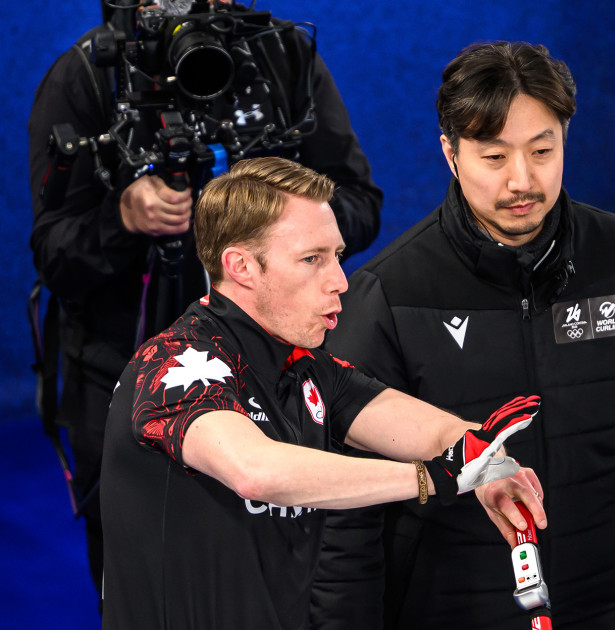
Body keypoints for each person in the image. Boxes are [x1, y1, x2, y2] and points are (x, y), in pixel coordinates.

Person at [311, 41, 615, 629]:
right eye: (494, 156)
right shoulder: (390, 294)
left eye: (542, 150)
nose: (521, 180)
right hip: (447, 612)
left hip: (599, 607)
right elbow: (344, 510)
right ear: (451, 154)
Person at [28, 0, 382, 597]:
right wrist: (123, 218)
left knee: (296, 573)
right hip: (122, 375)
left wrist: (272, 218)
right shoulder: (89, 75)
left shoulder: (282, 55)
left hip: (278, 377)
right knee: (139, 581)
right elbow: (54, 255)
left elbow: (360, 205)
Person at [99, 156, 544, 630]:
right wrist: (435, 477)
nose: (340, 281)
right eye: (312, 259)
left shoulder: (306, 366)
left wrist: (490, 462)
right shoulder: (173, 365)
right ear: (241, 265)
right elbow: (256, 471)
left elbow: (425, 429)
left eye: (337, 255)